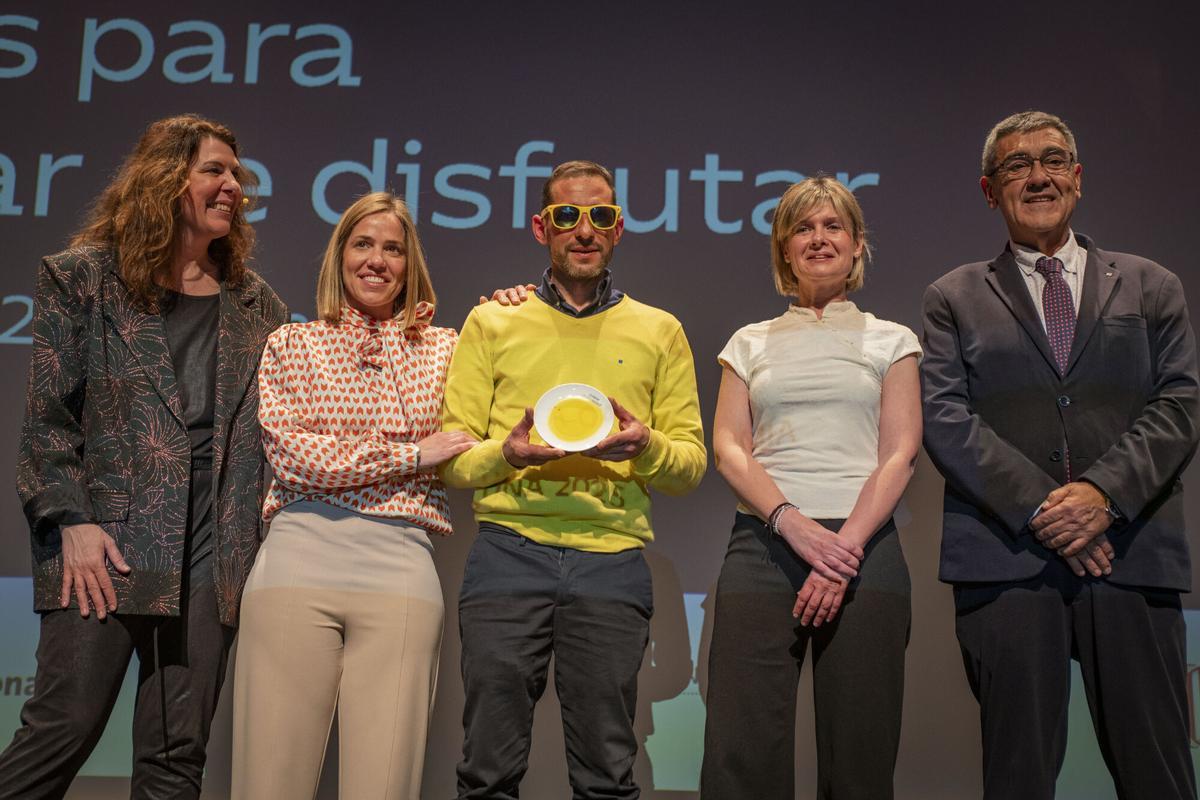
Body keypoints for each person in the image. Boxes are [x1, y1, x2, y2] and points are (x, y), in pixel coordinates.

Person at [0, 114, 287, 799]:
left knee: (175, 758)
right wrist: (69, 522)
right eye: (214, 171)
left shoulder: (258, 307)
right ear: (166, 177)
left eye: (237, 176)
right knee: (61, 730)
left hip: (211, 558)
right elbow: (47, 421)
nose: (231, 188)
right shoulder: (83, 280)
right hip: (105, 545)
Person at [921, 110, 1199, 799]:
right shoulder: (951, 298)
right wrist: (1048, 508)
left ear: (1076, 178)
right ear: (990, 190)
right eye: (1017, 166)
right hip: (1009, 565)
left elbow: (1181, 403)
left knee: (1159, 772)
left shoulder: (1151, 284)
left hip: (1131, 557)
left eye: (1052, 161)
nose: (1038, 176)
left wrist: (1102, 496)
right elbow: (945, 417)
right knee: (1017, 777)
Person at [440, 159, 707, 799]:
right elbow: (454, 459)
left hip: (611, 561)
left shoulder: (659, 330)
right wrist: (507, 455)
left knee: (606, 777)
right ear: (541, 228)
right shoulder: (493, 321)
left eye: (600, 216)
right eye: (566, 216)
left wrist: (645, 447)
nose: (583, 230)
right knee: (487, 772)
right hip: (508, 554)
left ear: (619, 229)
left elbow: (690, 465)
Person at [231, 191, 481, 798]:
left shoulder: (449, 349)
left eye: (393, 248)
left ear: (409, 262)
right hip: (297, 559)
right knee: (270, 782)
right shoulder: (292, 344)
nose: (377, 260)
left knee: (385, 785)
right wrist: (410, 455)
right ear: (339, 255)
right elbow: (294, 457)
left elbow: (480, 428)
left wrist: (514, 306)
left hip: (400, 566)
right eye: (363, 243)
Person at [699, 176, 922, 799]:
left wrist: (841, 549)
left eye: (833, 227)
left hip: (865, 548)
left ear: (856, 246)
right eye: (803, 228)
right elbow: (729, 449)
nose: (818, 239)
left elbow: (900, 453)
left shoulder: (892, 338)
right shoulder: (749, 342)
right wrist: (793, 524)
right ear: (784, 248)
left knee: (860, 754)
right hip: (764, 543)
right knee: (740, 753)